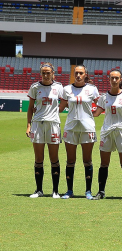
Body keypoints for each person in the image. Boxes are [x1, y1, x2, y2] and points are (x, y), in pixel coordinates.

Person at [92, 70, 122, 201]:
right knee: (104, 163)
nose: (114, 80)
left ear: (120, 79)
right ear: (108, 79)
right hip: (107, 132)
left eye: (116, 78)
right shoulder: (103, 97)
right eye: (112, 78)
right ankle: (101, 191)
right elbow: (96, 113)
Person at [59, 65, 99, 199]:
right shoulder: (66, 89)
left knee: (87, 160)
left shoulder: (92, 90)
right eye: (76, 73)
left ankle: (88, 191)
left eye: (81, 73)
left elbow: (102, 104)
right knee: (70, 160)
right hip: (70, 128)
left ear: (85, 74)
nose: (78, 75)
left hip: (87, 128)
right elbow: (60, 107)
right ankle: (69, 191)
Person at [26, 62, 64, 198]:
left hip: (53, 124)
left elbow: (64, 101)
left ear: (53, 73)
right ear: (40, 74)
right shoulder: (35, 87)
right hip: (37, 124)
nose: (46, 75)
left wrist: (57, 111)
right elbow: (30, 107)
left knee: (54, 158)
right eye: (44, 73)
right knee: (39, 158)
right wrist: (29, 125)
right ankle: (39, 190)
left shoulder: (59, 87)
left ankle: (55, 191)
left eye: (48, 72)